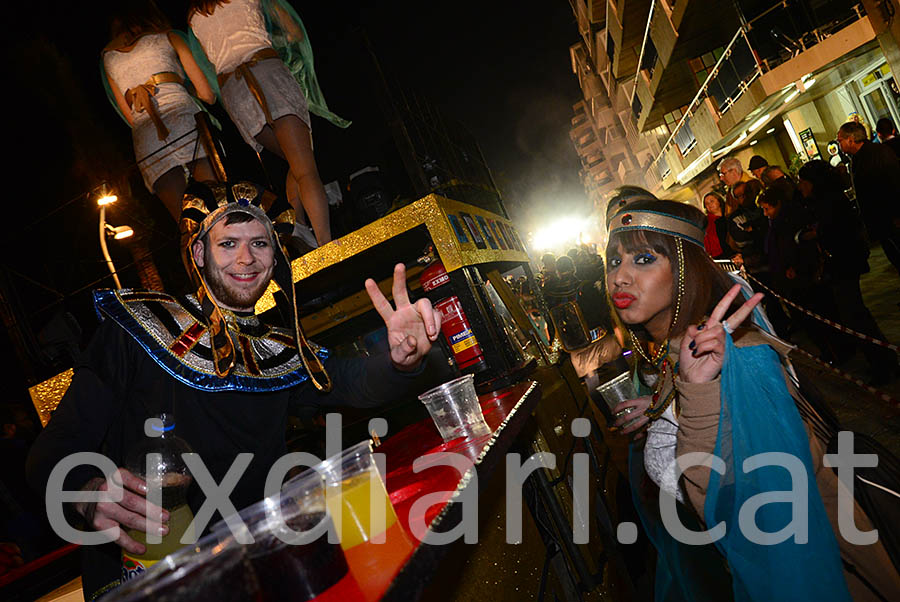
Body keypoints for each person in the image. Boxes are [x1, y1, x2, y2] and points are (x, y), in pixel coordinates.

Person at [26, 180, 441, 600]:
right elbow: (52, 451)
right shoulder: (138, 330)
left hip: (251, 577)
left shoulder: (278, 349)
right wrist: (91, 493)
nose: (246, 258)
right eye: (228, 243)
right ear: (200, 253)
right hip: (149, 577)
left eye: (259, 243)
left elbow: (353, 384)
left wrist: (399, 359)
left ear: (275, 257)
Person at [604, 198, 900, 600]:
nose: (620, 277)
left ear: (685, 271)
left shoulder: (734, 355)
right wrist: (659, 409)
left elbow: (755, 508)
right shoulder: (676, 355)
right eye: (612, 262)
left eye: (642, 259)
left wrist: (698, 395)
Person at [188, 0, 351, 247]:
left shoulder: (194, 16)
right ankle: (326, 241)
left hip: (235, 91)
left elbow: (206, 89)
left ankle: (297, 225)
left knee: (293, 161)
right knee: (305, 166)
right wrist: (273, 38)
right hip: (266, 71)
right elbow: (294, 33)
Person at [102, 1, 218, 221]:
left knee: (185, 222)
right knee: (215, 202)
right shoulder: (169, 37)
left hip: (146, 137)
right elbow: (207, 94)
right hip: (182, 119)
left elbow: (129, 116)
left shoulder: (108, 59)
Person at [798, 160, 898, 383]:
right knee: (855, 313)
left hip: (843, 263)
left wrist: (812, 235)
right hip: (844, 262)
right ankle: (884, 359)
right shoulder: (827, 200)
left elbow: (834, 231)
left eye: (803, 182)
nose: (801, 187)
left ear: (813, 182)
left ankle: (882, 363)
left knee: (854, 314)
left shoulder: (829, 202)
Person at [837, 120, 900, 275]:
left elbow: (894, 183)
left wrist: (897, 215)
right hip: (882, 220)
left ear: (850, 140)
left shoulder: (878, 153)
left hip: (891, 218)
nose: (839, 145)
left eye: (840, 141)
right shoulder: (859, 157)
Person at [702, 191, 731, 259]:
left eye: (712, 201)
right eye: (707, 204)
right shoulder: (706, 222)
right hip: (718, 255)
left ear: (719, 201)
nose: (710, 205)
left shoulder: (728, 214)